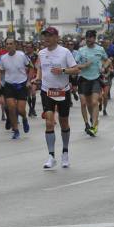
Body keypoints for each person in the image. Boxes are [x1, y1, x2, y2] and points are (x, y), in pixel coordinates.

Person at [32, 29, 79, 169]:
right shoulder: (41, 53)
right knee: (49, 122)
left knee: (64, 123)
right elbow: (41, 69)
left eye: (50, 36)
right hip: (47, 91)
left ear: (56, 37)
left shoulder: (65, 52)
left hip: (62, 91)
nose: (46, 38)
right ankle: (51, 156)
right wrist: (37, 78)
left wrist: (63, 71)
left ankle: (65, 152)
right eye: (45, 35)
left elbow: (76, 69)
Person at [0, 37, 32, 139]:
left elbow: (31, 67)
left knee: (21, 110)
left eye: (11, 44)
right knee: (11, 108)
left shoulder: (22, 55)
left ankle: (24, 118)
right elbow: (1, 70)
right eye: (7, 44)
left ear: (15, 45)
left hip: (21, 84)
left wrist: (29, 81)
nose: (9, 46)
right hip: (9, 85)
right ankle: (16, 130)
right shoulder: (3, 58)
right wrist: (0, 80)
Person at [76, 30, 107, 136]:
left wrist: (103, 67)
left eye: (91, 37)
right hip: (84, 79)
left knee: (94, 102)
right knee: (86, 103)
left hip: (96, 79)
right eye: (87, 37)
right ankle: (89, 121)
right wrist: (84, 66)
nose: (89, 39)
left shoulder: (100, 49)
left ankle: (94, 126)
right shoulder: (81, 50)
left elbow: (107, 60)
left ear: (94, 38)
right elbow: (75, 65)